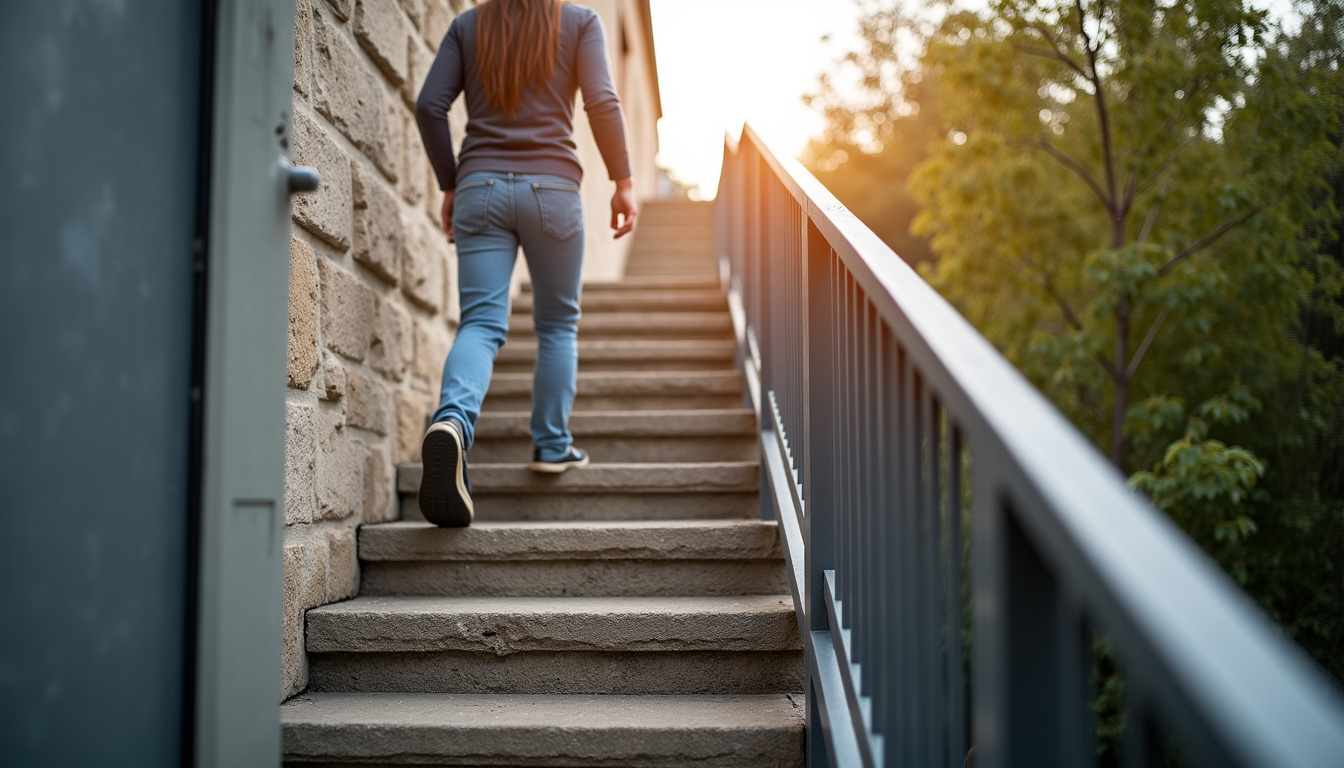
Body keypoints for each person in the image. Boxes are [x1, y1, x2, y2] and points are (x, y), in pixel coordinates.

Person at [413, 0, 637, 527]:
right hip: (553, 190)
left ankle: (452, 423)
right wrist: (622, 181)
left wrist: (451, 182)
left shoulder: (468, 25)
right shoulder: (580, 22)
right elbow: (602, 100)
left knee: (482, 323)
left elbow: (429, 106)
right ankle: (552, 445)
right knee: (558, 324)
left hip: (480, 188)